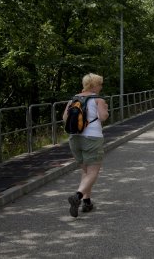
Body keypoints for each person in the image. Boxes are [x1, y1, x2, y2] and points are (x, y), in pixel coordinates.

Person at [63, 73, 109, 217]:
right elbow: (103, 117)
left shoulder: (73, 99)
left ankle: (87, 202)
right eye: (100, 84)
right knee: (93, 171)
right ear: (94, 85)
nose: (101, 87)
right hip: (92, 138)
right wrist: (105, 109)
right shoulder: (98, 100)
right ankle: (77, 196)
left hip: (75, 138)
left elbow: (64, 118)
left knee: (86, 171)